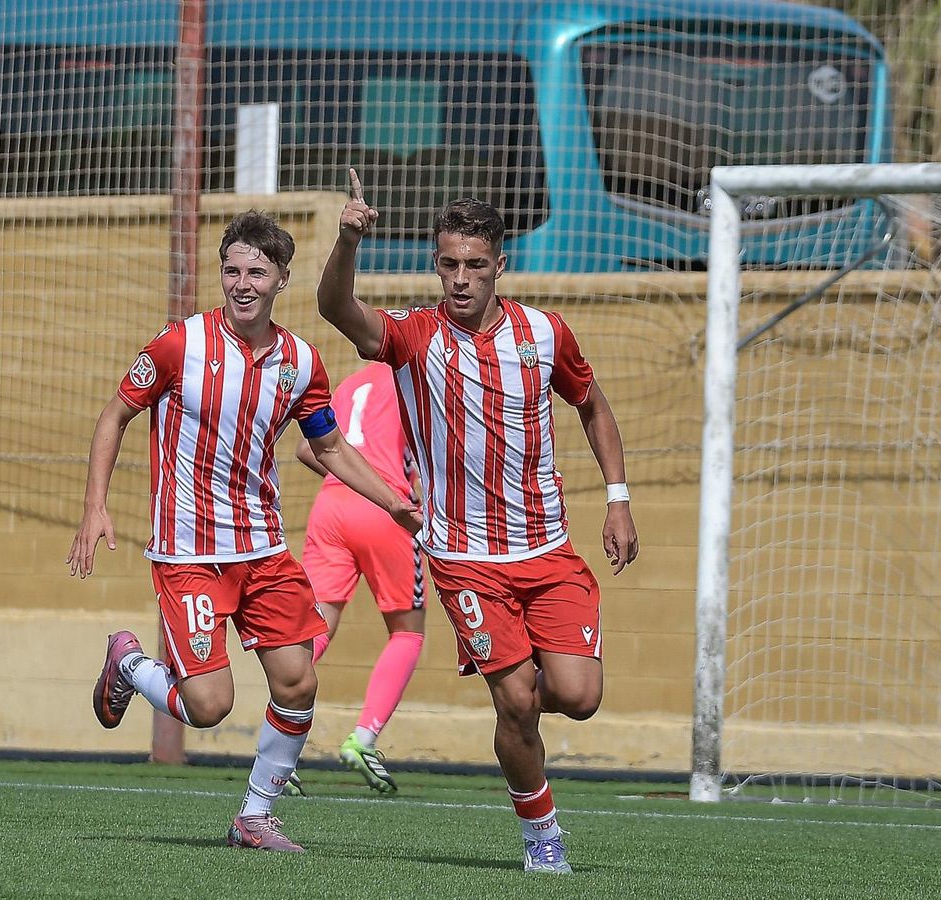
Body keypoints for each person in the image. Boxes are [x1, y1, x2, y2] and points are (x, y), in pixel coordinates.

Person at [68, 210, 421, 853]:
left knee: (298, 681)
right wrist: (95, 508)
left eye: (256, 271)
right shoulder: (181, 344)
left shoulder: (301, 362)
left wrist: (393, 501)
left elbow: (331, 447)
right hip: (190, 553)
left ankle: (255, 816)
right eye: (231, 269)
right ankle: (128, 664)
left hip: (263, 549)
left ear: (281, 278)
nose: (241, 282)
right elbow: (116, 413)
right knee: (208, 705)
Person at [316, 171, 638, 873]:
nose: (460, 279)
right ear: (436, 264)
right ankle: (541, 833)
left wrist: (618, 497)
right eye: (449, 264)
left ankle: (518, 695)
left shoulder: (544, 334)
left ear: (500, 265)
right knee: (518, 701)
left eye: (475, 265)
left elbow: (593, 405)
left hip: (547, 549)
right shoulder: (413, 336)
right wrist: (348, 240)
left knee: (578, 696)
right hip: (464, 558)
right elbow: (335, 306)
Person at [289, 358, 428, 795]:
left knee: (316, 626)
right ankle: (363, 738)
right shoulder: (416, 381)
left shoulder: (351, 383)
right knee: (408, 633)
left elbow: (306, 448)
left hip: (331, 508)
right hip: (387, 507)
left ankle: (279, 746)